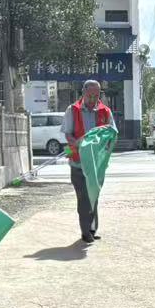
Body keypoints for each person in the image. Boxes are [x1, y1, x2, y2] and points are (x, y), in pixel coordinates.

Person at [65, 80, 115, 244]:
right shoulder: (72, 110)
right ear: (83, 93)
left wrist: (106, 148)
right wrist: (77, 144)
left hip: (96, 165)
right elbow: (68, 134)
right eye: (90, 95)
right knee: (83, 198)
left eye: (96, 95)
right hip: (78, 162)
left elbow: (111, 133)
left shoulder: (105, 111)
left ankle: (92, 229)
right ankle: (85, 231)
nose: (93, 99)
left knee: (94, 195)